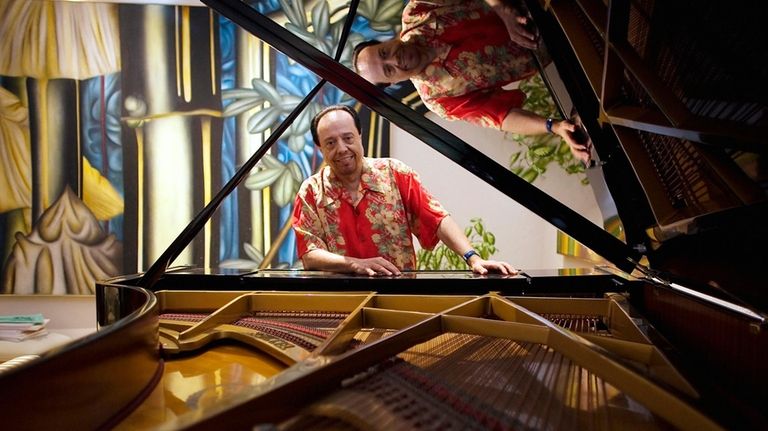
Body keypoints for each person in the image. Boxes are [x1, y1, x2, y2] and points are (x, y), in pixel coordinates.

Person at [352, 0, 591, 164]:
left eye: (384, 53)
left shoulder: (417, 11)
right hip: (566, 48)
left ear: (382, 43)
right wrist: (555, 127)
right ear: (392, 82)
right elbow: (501, 116)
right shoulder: (439, 100)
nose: (395, 59)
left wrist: (503, 10)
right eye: (388, 70)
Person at [291, 104, 517, 276]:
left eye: (347, 138)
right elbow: (310, 254)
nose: (341, 149)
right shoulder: (311, 191)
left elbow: (437, 218)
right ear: (320, 147)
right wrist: (355, 264)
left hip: (401, 295)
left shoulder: (395, 172)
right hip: (339, 302)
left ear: (360, 135)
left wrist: (473, 258)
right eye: (330, 142)